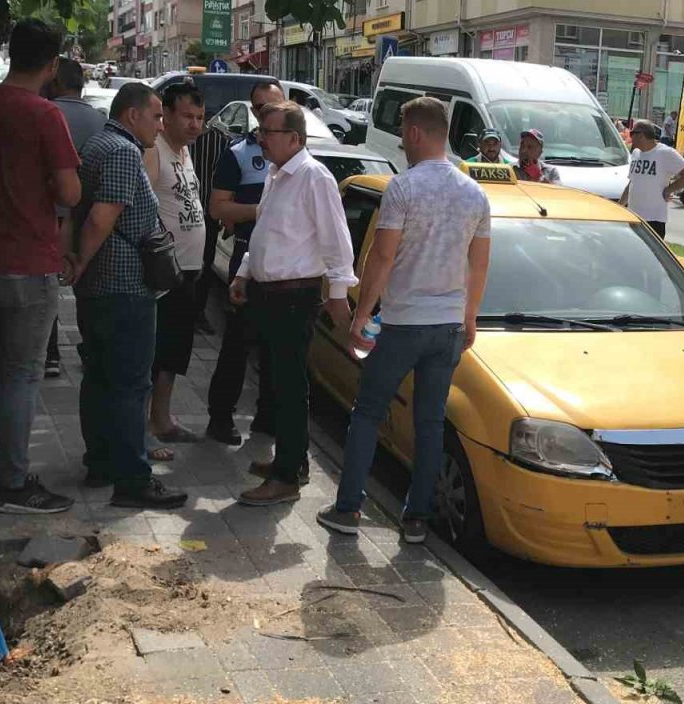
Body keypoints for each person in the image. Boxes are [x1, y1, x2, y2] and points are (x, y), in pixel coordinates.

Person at [317, 97, 491, 544]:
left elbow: (383, 255)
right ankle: (416, 519)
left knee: (368, 413)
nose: (399, 139)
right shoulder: (475, 193)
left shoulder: (404, 187)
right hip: (449, 326)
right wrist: (468, 318)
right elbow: (480, 265)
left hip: (402, 324)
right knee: (430, 422)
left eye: (401, 130)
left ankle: (348, 508)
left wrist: (361, 313)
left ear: (415, 132)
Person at [0, 19, 80, 514]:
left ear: (10, 53)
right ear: (52, 66)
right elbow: (70, 192)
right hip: (28, 262)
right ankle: (13, 483)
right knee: (22, 374)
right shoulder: (44, 115)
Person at [230, 101, 356, 506]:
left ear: (294, 139)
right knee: (278, 383)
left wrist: (339, 295)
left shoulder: (313, 177)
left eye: (268, 133)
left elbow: (337, 241)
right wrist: (244, 272)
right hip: (269, 294)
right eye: (261, 132)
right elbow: (268, 230)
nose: (261, 140)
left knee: (287, 384)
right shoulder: (277, 173)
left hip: (294, 297)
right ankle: (292, 460)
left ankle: (286, 476)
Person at [70, 82, 188, 510]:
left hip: (102, 286)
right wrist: (79, 262)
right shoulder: (121, 151)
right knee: (130, 383)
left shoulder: (97, 143)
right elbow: (101, 219)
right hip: (122, 286)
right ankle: (133, 480)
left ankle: (101, 461)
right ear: (132, 115)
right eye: (156, 116)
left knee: (100, 377)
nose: (161, 124)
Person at [205, 81, 285, 447]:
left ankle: (268, 418)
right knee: (237, 344)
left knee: (275, 349)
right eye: (260, 107)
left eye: (274, 103)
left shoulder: (299, 153)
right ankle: (220, 418)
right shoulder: (238, 154)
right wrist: (261, 211)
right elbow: (218, 208)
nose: (266, 110)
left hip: (286, 267)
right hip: (246, 256)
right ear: (253, 112)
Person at [144, 82, 207, 445]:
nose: (195, 124)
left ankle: (161, 421)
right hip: (163, 272)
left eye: (199, 117)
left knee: (174, 353)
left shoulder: (185, 153)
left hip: (188, 269)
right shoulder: (154, 152)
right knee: (154, 354)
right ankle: (143, 431)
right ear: (165, 115)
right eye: (187, 116)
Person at [42, 56, 106, 377]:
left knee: (46, 283)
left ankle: (50, 354)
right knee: (86, 286)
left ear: (54, 82)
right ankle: (92, 349)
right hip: (88, 216)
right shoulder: (99, 120)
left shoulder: (47, 115)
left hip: (49, 215)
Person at [188, 91, 234, 335]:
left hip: (207, 214)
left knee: (204, 265)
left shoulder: (219, 141)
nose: (192, 123)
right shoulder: (172, 139)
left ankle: (197, 312)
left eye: (197, 115)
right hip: (178, 214)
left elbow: (225, 180)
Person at [619, 119, 684, 239]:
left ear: (641, 135)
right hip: (633, 216)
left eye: (632, 133)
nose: (630, 136)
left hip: (654, 219)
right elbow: (632, 182)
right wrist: (619, 207)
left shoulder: (665, 153)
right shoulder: (635, 153)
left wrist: (669, 190)